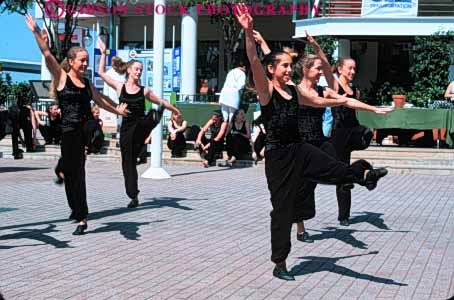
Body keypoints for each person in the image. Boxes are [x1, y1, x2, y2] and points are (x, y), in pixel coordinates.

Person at [235, 5, 388, 281]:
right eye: (283, 65)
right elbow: (254, 61)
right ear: (272, 69)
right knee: (282, 210)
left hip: (300, 148)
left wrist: (343, 99)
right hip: (278, 158)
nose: (287, 69)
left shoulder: (294, 91)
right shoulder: (266, 91)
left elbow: (318, 101)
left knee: (336, 168)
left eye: (288, 66)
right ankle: (280, 262)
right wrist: (247, 32)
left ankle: (364, 174)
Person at [26, 13, 129, 235]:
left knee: (93, 133)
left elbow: (101, 100)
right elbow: (46, 53)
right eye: (81, 60)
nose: (85, 63)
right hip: (69, 132)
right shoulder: (61, 78)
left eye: (86, 60)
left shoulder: (87, 83)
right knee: (75, 175)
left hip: (86, 126)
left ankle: (81, 212)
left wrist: (117, 109)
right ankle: (78, 212)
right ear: (71, 62)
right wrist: (36, 31)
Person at [294, 33, 393, 243]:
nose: (321, 72)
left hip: (320, 140)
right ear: (305, 70)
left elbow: (348, 102)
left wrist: (374, 109)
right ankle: (300, 229)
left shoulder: (324, 89)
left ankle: (366, 176)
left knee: (339, 168)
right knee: (304, 187)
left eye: (321, 69)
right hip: (302, 145)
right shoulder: (297, 90)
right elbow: (318, 101)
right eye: (317, 69)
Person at [97, 37, 180, 209]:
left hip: (141, 126)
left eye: (141, 70)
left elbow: (161, 101)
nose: (139, 72)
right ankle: (133, 195)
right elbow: (101, 73)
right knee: (128, 163)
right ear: (128, 70)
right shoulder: (120, 87)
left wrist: (174, 110)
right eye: (136, 69)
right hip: (126, 129)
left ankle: (155, 118)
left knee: (152, 114)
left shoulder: (145, 90)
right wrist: (104, 52)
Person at [331, 57, 391, 226]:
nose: (352, 72)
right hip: (339, 134)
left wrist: (375, 111)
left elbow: (355, 108)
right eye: (349, 68)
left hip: (354, 130)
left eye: (354, 69)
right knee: (344, 176)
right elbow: (328, 72)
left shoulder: (355, 90)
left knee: (366, 133)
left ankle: (358, 175)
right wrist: (318, 49)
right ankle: (344, 216)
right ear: (340, 69)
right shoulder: (334, 85)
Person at [218, 59, 249, 136]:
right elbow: (241, 85)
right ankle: (228, 133)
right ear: (244, 67)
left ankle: (222, 133)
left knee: (225, 115)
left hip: (224, 93)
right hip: (233, 94)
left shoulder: (231, 71)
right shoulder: (242, 73)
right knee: (232, 115)